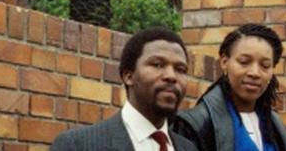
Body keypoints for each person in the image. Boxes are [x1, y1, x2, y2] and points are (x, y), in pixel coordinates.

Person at [51, 27, 197, 151]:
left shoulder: (189, 148)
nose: (171, 76)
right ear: (128, 76)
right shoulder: (77, 145)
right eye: (157, 65)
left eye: (180, 69)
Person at [174, 24, 286, 151]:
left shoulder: (275, 125)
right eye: (244, 62)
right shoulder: (196, 124)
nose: (255, 73)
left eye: (265, 65)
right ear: (224, 62)